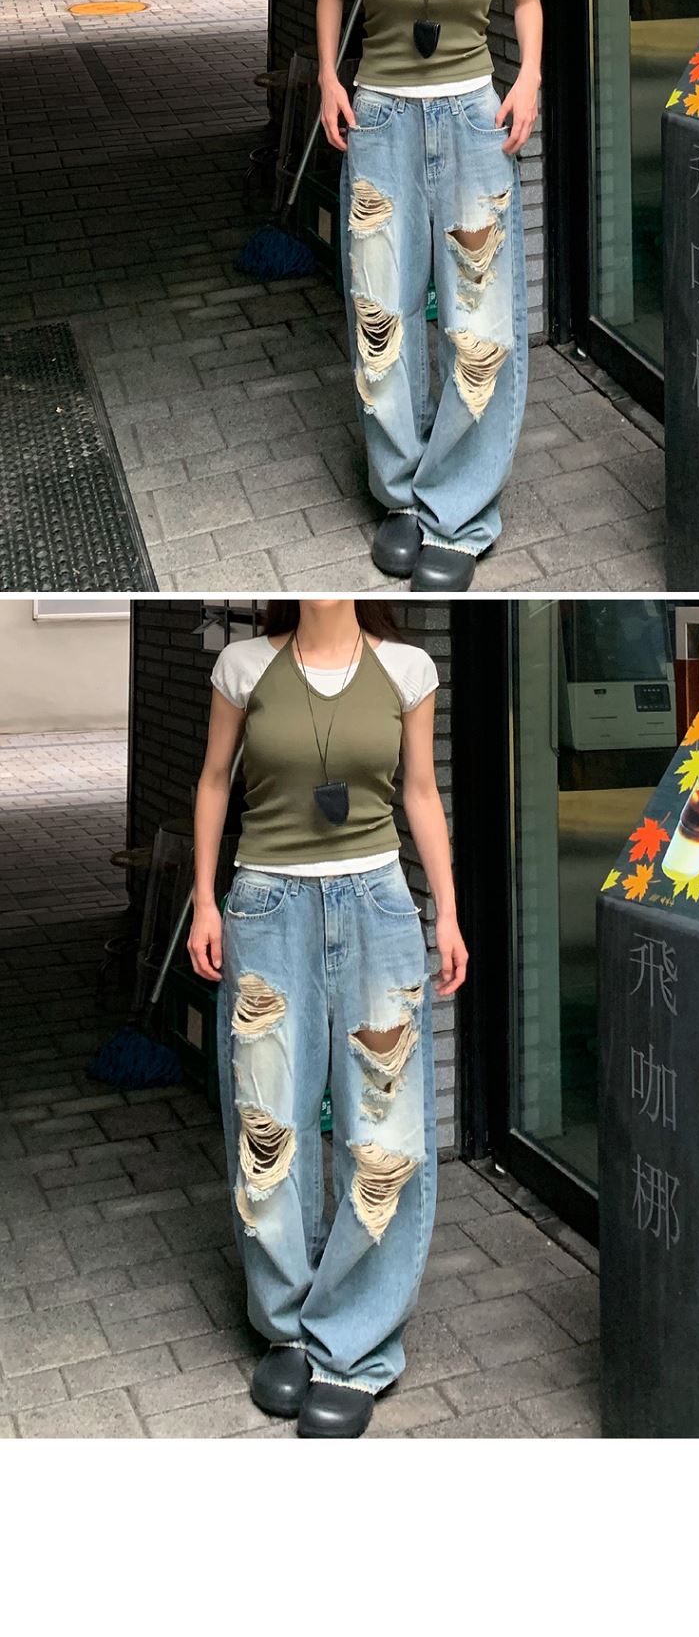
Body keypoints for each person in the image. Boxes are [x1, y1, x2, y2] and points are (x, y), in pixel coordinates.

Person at [189, 597, 467, 1440]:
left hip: (378, 904)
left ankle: (354, 1341)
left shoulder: (407, 669)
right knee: (267, 1122)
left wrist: (448, 912)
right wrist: (205, 900)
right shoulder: (243, 666)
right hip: (266, 907)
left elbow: (420, 792)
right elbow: (214, 782)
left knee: (383, 1131)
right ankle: (286, 1325)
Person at [318, 0, 541, 588]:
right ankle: (402, 498)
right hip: (381, 124)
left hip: (474, 125)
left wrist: (529, 78)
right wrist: (328, 79)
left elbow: (528, 0)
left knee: (481, 323)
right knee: (381, 314)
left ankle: (460, 509)